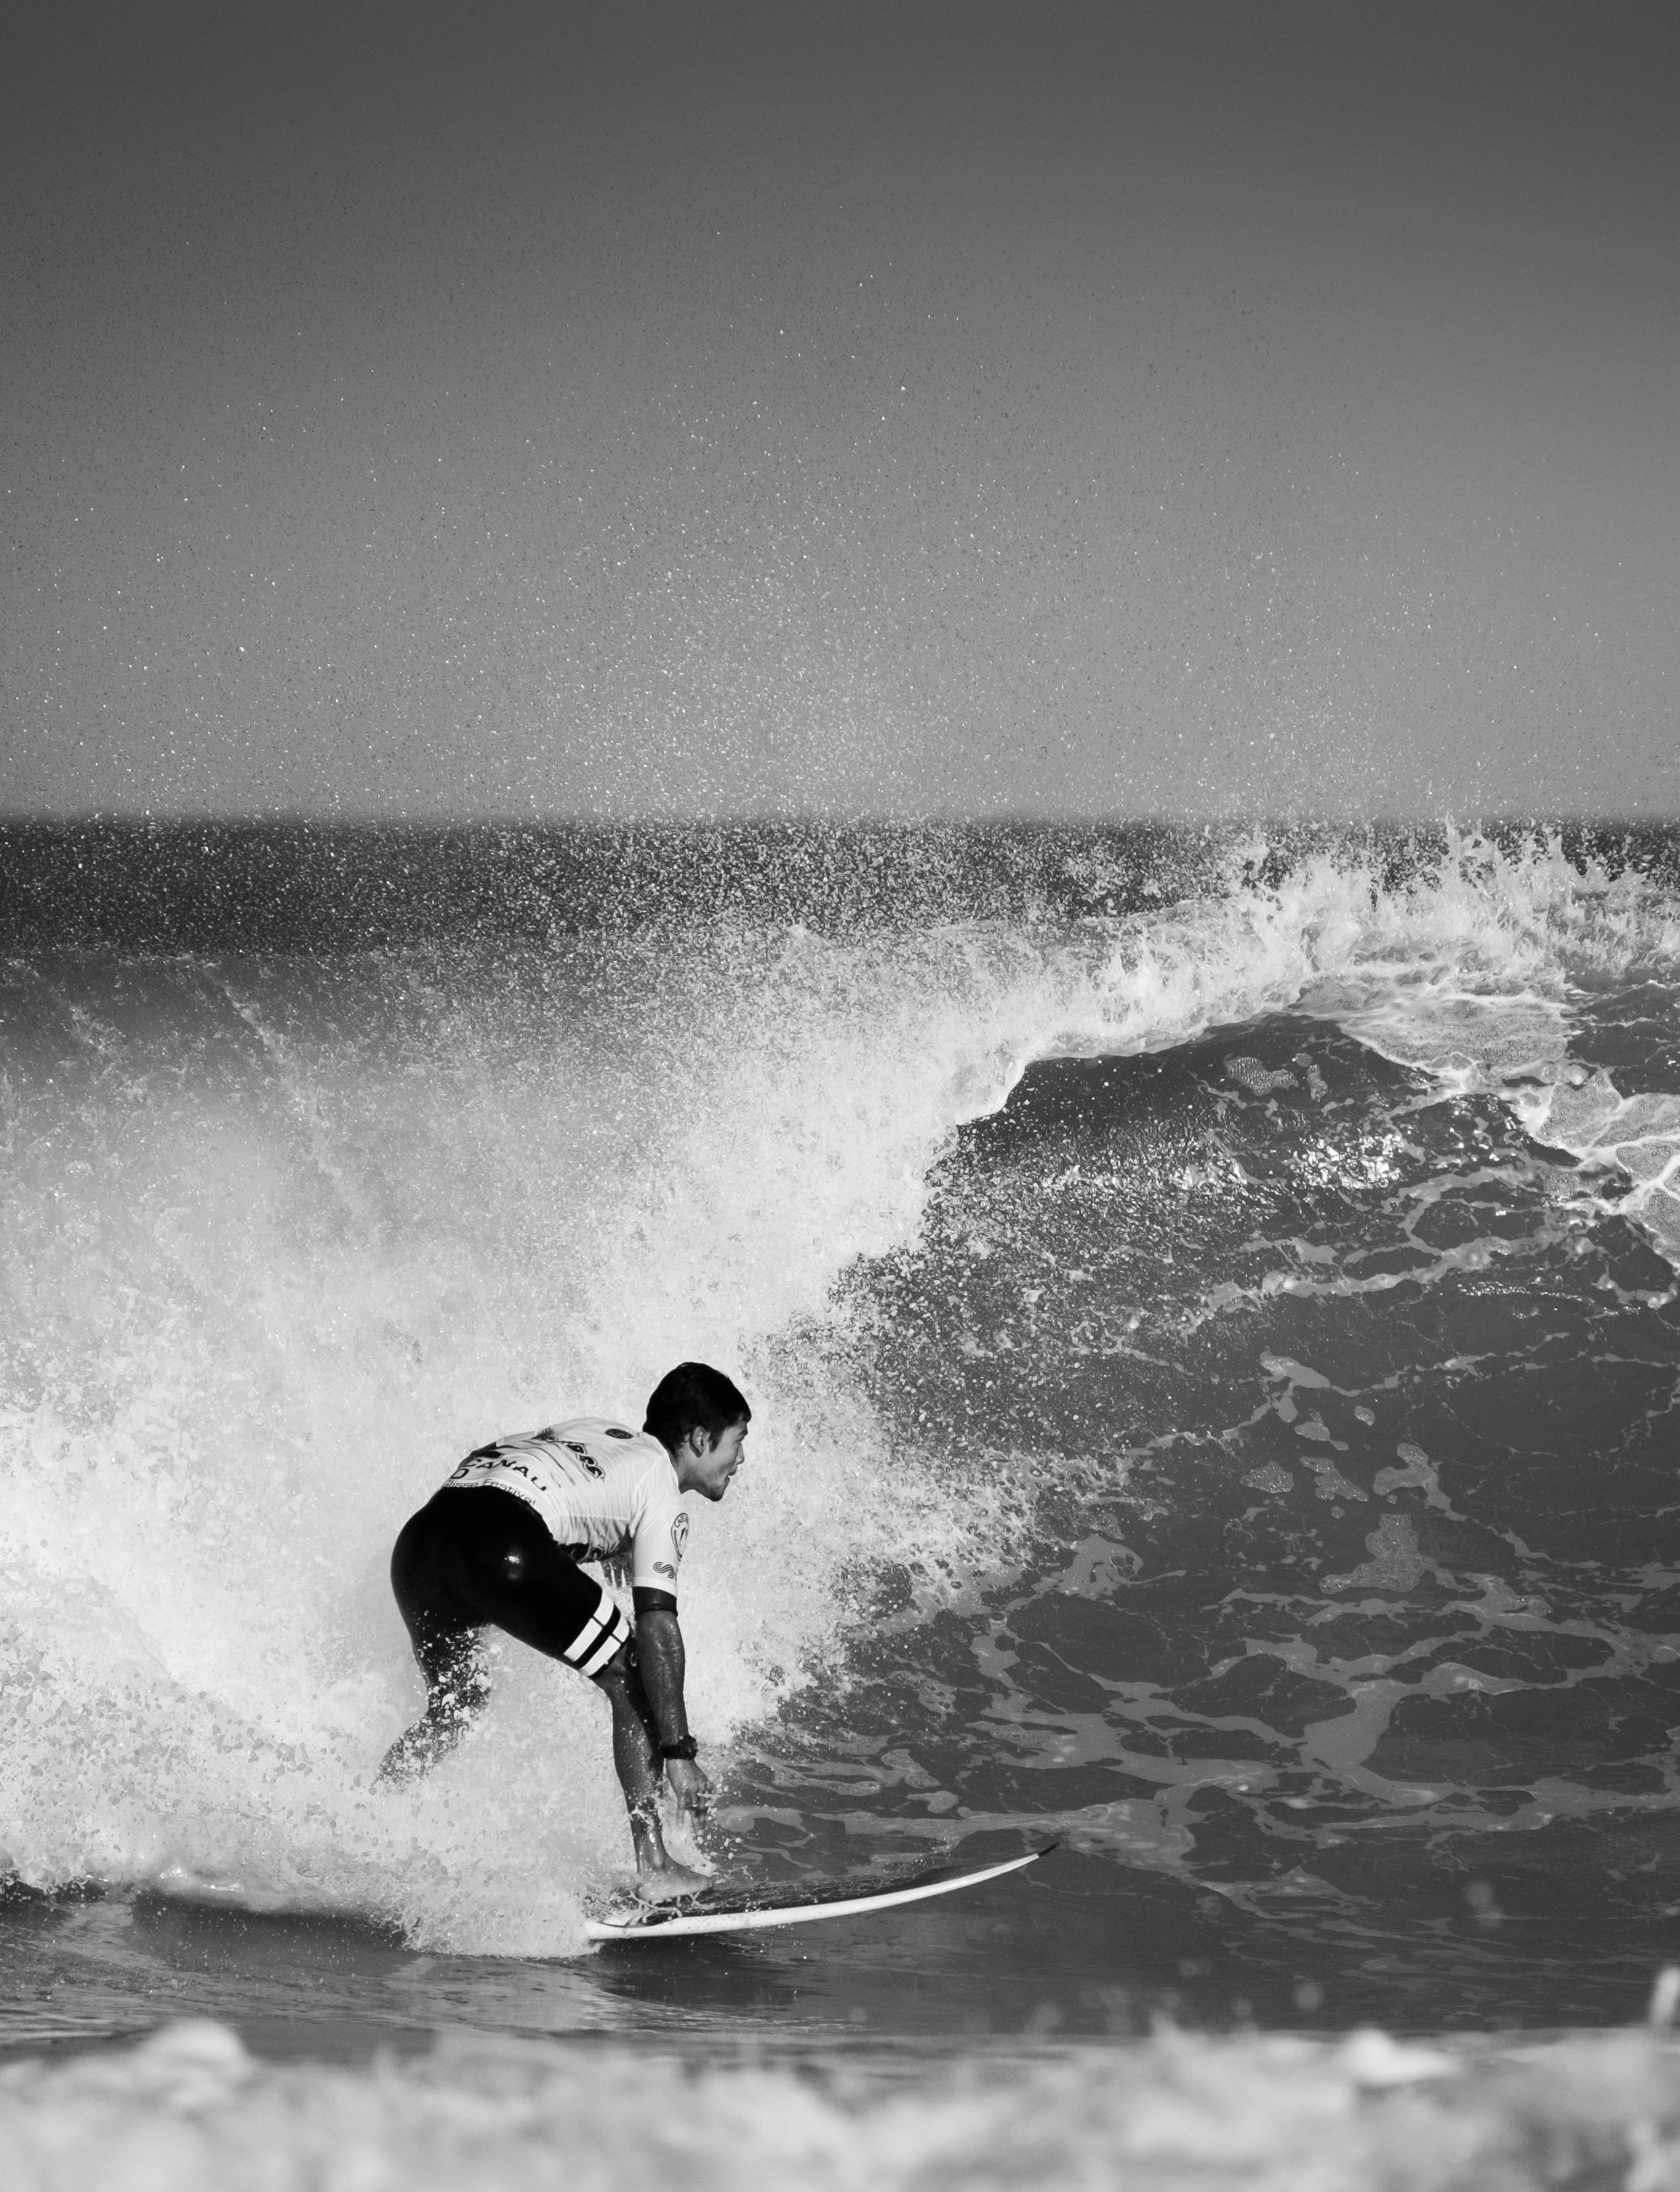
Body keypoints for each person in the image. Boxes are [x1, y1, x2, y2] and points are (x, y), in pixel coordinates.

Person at [378, 1361, 750, 1902]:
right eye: (737, 1441)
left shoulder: (599, 1431)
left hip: (420, 1545)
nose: (740, 1459)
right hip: (502, 1544)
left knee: (456, 1703)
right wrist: (679, 1750)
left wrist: (611, 1542)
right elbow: (658, 1628)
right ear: (699, 1438)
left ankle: (371, 1810)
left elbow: (548, 1478)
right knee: (633, 1674)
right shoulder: (662, 1493)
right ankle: (655, 1865)